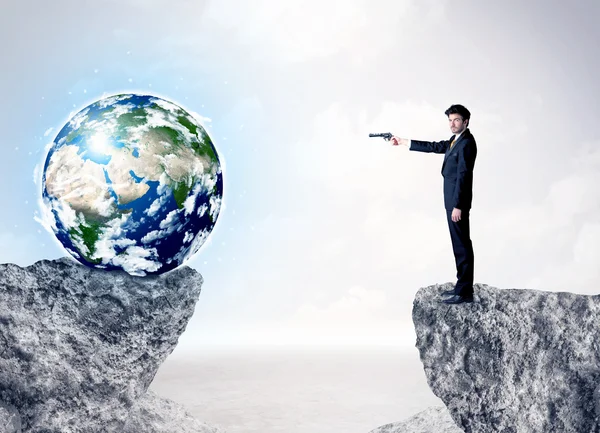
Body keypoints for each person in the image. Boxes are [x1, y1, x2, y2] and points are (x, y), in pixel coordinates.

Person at [391, 104, 477, 305]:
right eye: (450, 120)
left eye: (456, 120)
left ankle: (464, 291)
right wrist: (404, 142)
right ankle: (461, 286)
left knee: (462, 244)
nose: (452, 124)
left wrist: (458, 206)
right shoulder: (455, 140)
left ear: (465, 122)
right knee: (458, 244)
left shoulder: (467, 143)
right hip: (452, 201)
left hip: (457, 203)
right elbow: (434, 146)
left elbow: (464, 176)